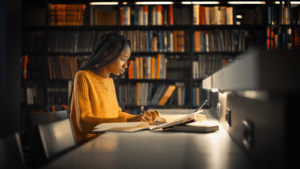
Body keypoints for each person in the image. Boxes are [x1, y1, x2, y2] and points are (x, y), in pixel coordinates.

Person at [69, 32, 160, 145]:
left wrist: (141, 118)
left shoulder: (110, 81)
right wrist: (128, 121)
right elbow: (84, 122)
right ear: (106, 55)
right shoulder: (83, 76)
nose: (126, 66)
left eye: (127, 60)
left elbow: (116, 114)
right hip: (90, 145)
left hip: (109, 140)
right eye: (123, 59)